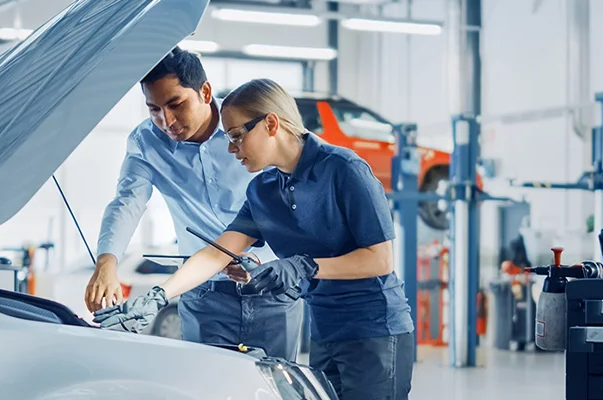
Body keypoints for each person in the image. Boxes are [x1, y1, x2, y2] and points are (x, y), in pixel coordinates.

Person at [95, 78, 415, 400]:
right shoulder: (263, 191)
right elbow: (217, 253)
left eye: (236, 137)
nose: (231, 149)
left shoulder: (344, 169)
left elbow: (379, 259)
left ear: (271, 123)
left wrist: (302, 267)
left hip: (375, 328)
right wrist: (159, 296)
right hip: (324, 330)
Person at [84, 47, 304, 360]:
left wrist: (269, 263)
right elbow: (127, 202)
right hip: (204, 296)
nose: (166, 120)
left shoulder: (250, 131)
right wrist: (107, 261)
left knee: (276, 388)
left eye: (176, 104)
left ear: (205, 91)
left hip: (273, 288)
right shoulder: (146, 142)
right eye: (154, 109)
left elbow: (292, 203)